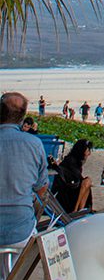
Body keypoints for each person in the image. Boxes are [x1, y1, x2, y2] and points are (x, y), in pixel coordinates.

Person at [0, 91, 49, 248]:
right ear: (22, 118)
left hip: (20, 228)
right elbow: (42, 188)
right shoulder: (34, 144)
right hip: (21, 230)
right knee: (18, 271)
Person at [52, 140, 94, 214]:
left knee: (87, 182)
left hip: (68, 189)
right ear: (82, 151)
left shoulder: (72, 159)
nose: (89, 153)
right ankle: (76, 209)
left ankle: (81, 209)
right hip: (67, 192)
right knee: (87, 181)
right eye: (88, 151)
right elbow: (74, 178)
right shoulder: (71, 161)